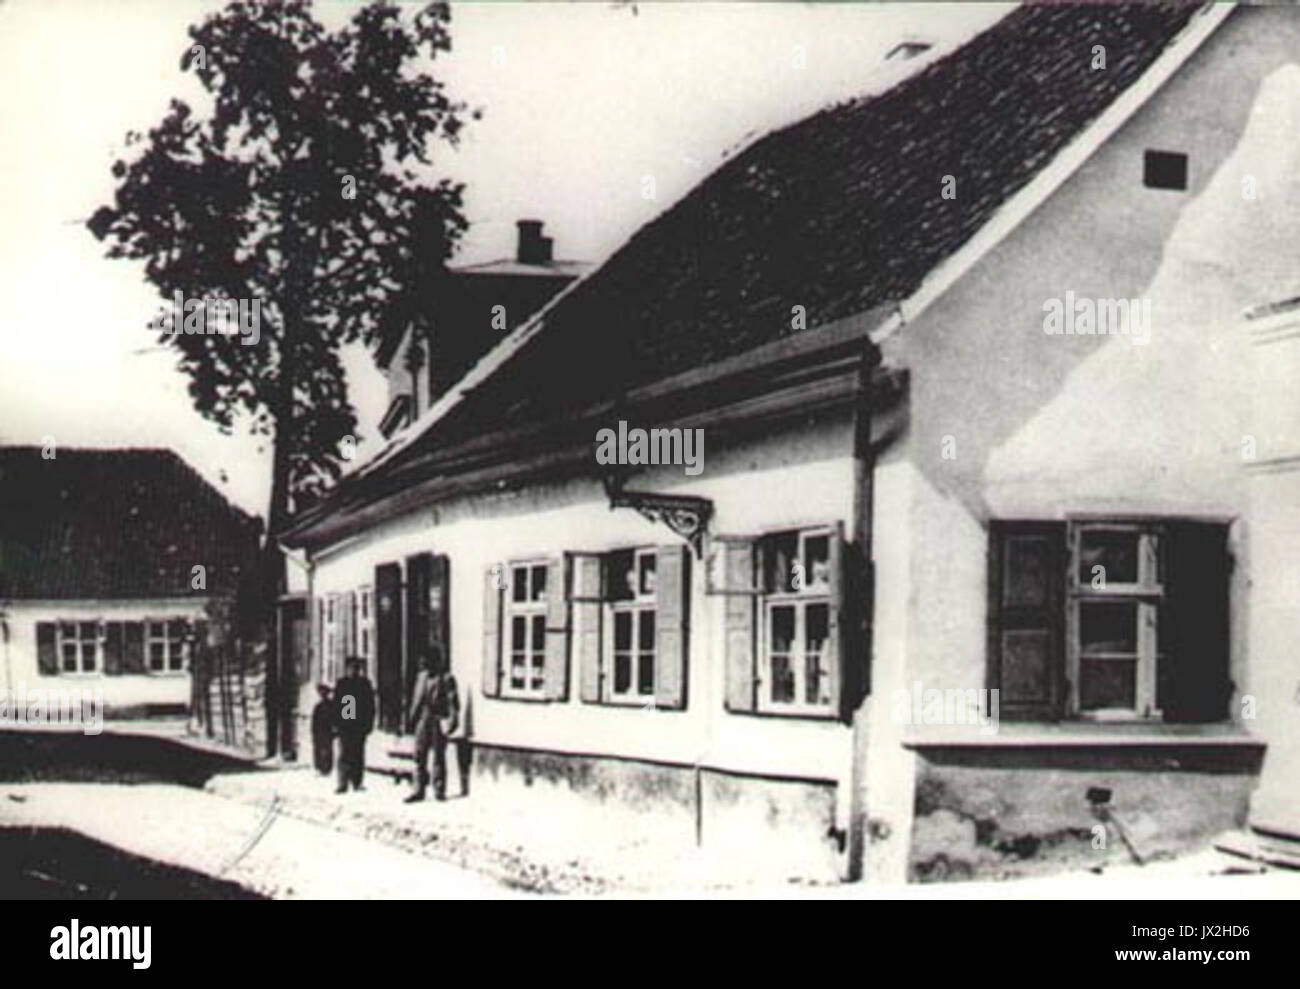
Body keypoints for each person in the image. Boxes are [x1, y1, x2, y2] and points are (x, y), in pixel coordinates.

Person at [405, 644, 459, 803]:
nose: (424, 664)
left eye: (427, 661)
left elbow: (453, 703)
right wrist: (412, 719)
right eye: (423, 661)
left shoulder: (447, 678)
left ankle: (439, 789)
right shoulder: (421, 677)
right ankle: (418, 789)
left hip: (437, 718)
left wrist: (452, 721)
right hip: (423, 718)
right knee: (418, 755)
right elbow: (416, 699)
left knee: (438, 756)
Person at [334, 656, 375, 794]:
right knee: (344, 754)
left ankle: (357, 782)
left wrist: (369, 724)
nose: (354, 671)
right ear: (346, 669)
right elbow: (337, 705)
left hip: (359, 725)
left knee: (358, 753)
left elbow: (370, 706)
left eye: (356, 668)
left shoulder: (364, 685)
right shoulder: (342, 684)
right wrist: (336, 724)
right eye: (351, 668)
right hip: (345, 725)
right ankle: (342, 782)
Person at [310, 683, 334, 776]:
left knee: (327, 749)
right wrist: (313, 731)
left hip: (328, 730)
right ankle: (320, 767)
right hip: (319, 731)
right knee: (318, 748)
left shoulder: (331, 705)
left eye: (325, 693)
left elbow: (334, 717)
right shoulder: (318, 706)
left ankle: (327, 768)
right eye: (321, 693)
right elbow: (314, 720)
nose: (323, 695)